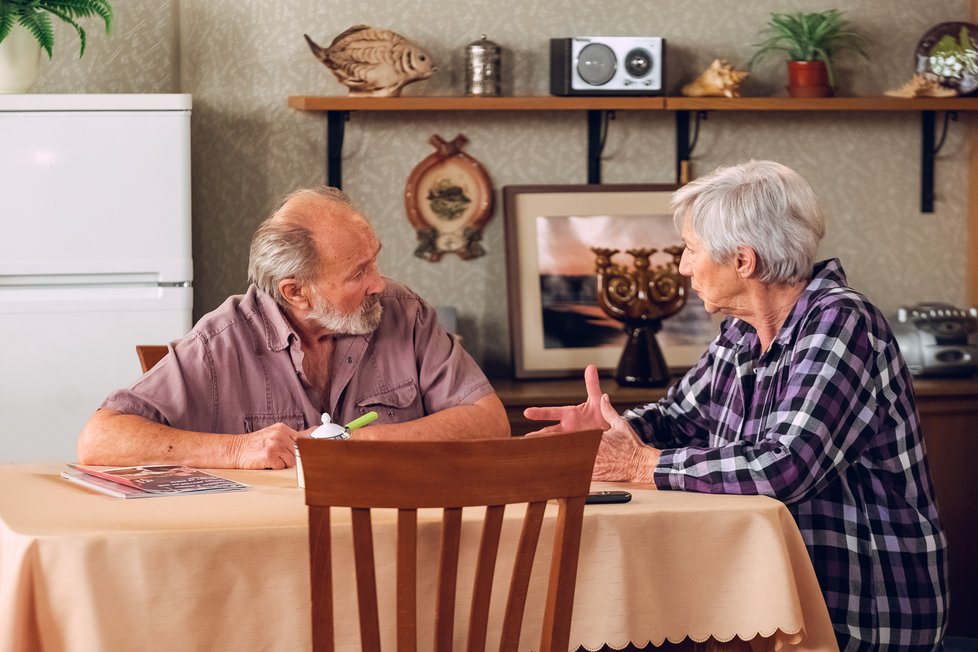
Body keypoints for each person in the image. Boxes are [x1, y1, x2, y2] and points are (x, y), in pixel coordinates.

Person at [524, 160, 947, 651]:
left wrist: (640, 462)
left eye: (692, 249)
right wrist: (602, 433)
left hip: (859, 609)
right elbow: (680, 418)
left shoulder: (843, 323)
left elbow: (785, 466)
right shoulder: (742, 331)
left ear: (743, 261)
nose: (682, 265)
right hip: (764, 595)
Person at [77, 187, 509, 470]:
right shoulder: (220, 342)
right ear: (296, 292)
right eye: (358, 273)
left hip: (397, 544)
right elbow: (100, 439)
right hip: (271, 558)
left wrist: (365, 443)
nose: (378, 282)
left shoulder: (404, 312)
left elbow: (490, 422)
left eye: (374, 260)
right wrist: (237, 449)